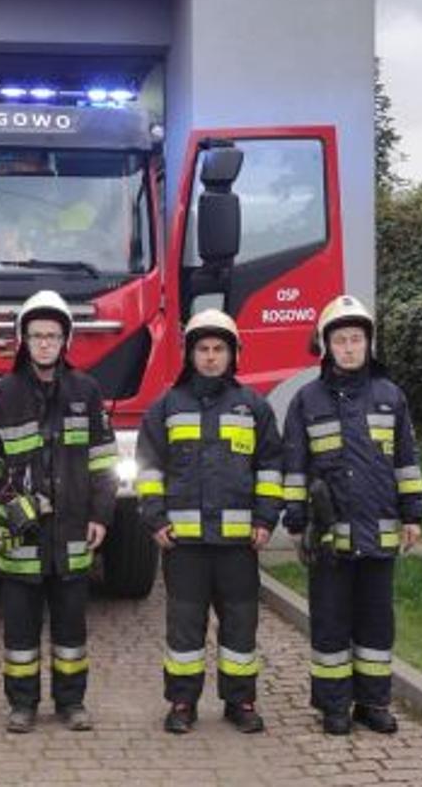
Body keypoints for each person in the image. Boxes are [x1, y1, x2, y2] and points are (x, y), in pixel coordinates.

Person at [0, 290, 119, 733]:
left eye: (53, 335)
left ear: (65, 340)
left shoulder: (86, 392)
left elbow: (104, 462)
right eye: (37, 336)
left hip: (72, 536)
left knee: (72, 633)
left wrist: (101, 516)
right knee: (20, 635)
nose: (46, 343)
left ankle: (72, 704)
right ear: (24, 341)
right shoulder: (4, 395)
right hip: (22, 542)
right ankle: (22, 705)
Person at [281, 295, 422, 736]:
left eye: (356, 339)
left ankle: (374, 703)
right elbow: (295, 467)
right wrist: (296, 521)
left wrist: (413, 514)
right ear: (326, 346)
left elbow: (407, 460)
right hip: (329, 539)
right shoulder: (306, 400)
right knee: (330, 624)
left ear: (368, 344)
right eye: (340, 340)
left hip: (379, 536)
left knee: (376, 625)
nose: (349, 347)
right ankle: (334, 707)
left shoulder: (391, 397)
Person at [135, 309, 284, 734]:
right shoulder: (166, 406)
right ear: (190, 354)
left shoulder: (253, 406)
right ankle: (182, 702)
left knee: (240, 626)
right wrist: (155, 519)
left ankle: (242, 703)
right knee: (185, 628)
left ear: (234, 354)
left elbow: (271, 466)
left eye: (220, 349)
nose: (211, 357)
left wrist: (265, 519)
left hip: (239, 545)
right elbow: (147, 468)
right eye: (203, 349)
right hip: (185, 545)